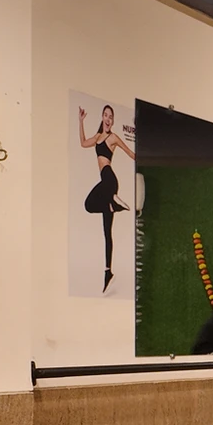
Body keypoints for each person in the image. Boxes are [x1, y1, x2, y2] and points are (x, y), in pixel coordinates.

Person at [79, 102, 133, 293]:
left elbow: (130, 152)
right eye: (106, 115)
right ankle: (108, 271)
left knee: (88, 204)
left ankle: (114, 203)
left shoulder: (113, 137)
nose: (108, 119)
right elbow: (83, 143)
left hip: (109, 180)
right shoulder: (97, 137)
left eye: (111, 116)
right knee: (106, 232)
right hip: (107, 186)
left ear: (113, 120)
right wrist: (80, 121)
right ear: (102, 117)